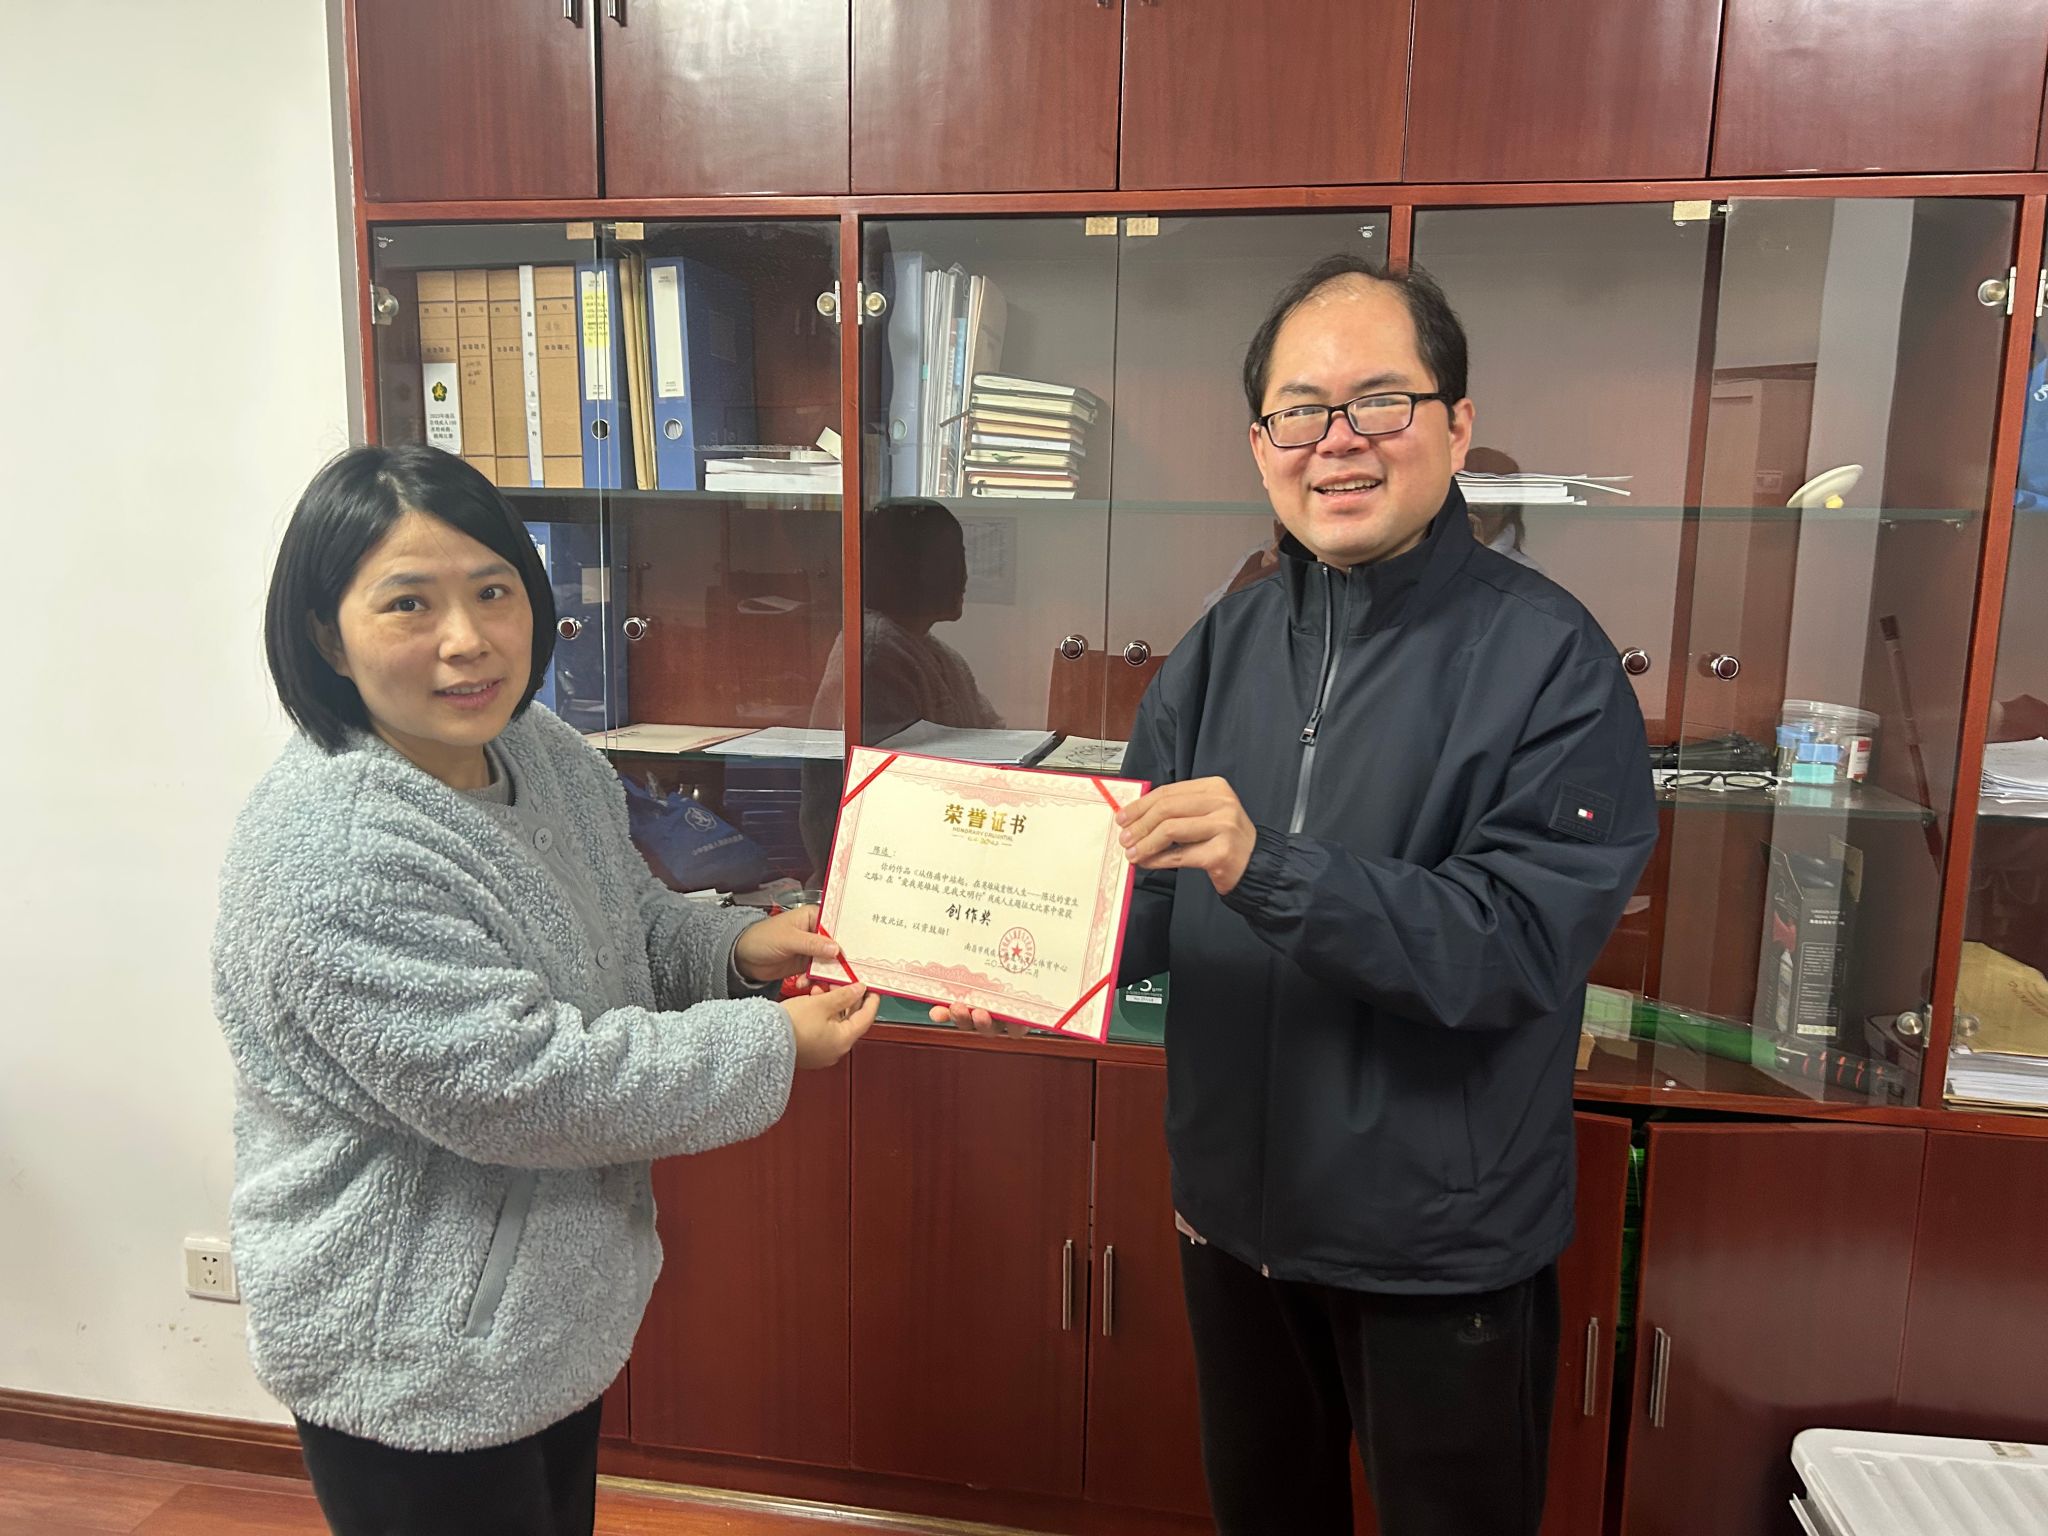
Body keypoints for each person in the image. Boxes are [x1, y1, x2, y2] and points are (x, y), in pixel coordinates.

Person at [211, 444, 878, 1536]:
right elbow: (519, 1087)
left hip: (540, 1315)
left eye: (493, 592)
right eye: (409, 604)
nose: (467, 639)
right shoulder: (336, 847)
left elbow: (622, 922)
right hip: (412, 1347)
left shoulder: (543, 751)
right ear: (328, 635)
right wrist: (771, 1045)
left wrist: (739, 950)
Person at [1108, 256, 1657, 1534]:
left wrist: (1265, 865)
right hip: (1233, 1221)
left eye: (1377, 401)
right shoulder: (1217, 647)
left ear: (1455, 426)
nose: (1335, 440)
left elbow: (1511, 946)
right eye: (1298, 410)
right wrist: (1013, 963)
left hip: (1436, 1245)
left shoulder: (1551, 661)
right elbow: (1136, 888)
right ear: (1259, 447)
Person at [799, 498, 1000, 872]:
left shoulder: (934, 652)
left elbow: (994, 740)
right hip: (882, 867)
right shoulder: (876, 649)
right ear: (901, 569)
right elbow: (894, 793)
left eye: (961, 559)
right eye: (945, 560)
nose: (963, 577)